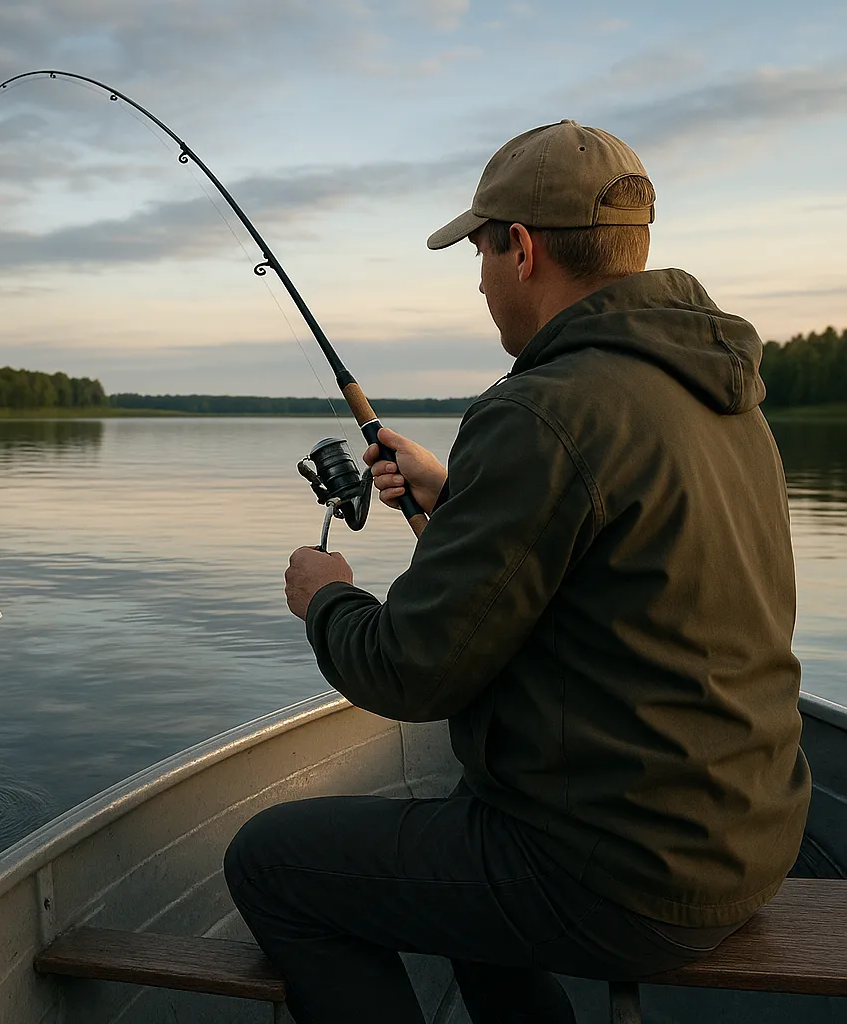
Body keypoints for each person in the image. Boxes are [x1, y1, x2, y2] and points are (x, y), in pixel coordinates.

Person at [223, 120, 811, 1024]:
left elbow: (410, 671)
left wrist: (327, 597)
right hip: (749, 839)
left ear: (524, 250)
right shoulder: (722, 396)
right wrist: (459, 492)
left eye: (481, 254)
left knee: (271, 862)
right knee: (470, 820)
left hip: (627, 878)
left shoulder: (542, 412)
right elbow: (611, 546)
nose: (481, 280)